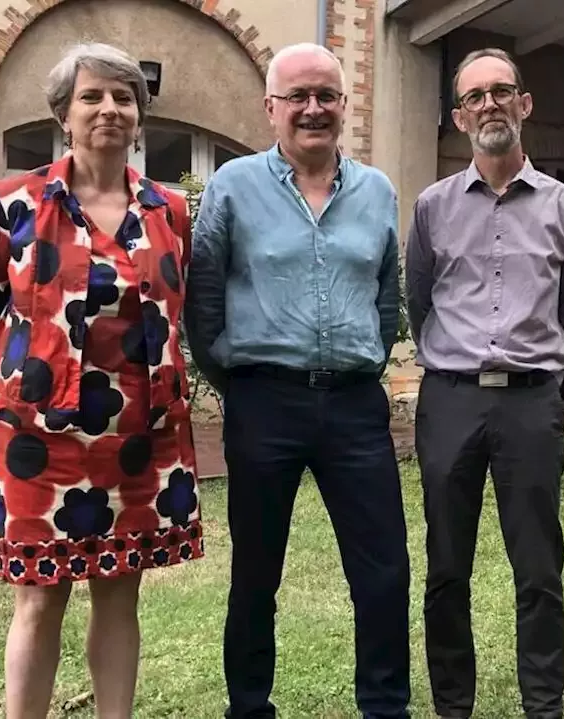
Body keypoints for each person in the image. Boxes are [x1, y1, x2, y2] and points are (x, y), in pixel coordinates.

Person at [0, 42, 203, 719]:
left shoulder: (170, 210)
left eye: (123, 98)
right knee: (39, 597)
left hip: (138, 433)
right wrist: (39, 378)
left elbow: (174, 308)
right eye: (92, 96)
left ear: (139, 116)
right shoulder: (9, 204)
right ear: (63, 114)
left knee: (120, 591)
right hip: (39, 434)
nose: (109, 109)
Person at [183, 42, 411, 719]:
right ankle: (249, 707)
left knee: (384, 571)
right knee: (257, 572)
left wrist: (364, 361)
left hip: (354, 406)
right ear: (271, 108)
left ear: (344, 105)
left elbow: (386, 294)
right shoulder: (232, 186)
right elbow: (204, 297)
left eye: (327, 95)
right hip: (264, 401)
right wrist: (239, 377)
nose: (314, 109)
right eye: (299, 97)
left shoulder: (377, 191)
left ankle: (385, 707)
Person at [404, 47, 564, 719]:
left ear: (524, 104)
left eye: (501, 91)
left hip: (530, 403)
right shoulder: (431, 208)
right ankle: (452, 706)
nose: (490, 104)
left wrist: (537, 363)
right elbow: (419, 299)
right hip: (450, 400)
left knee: (539, 571)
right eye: (475, 96)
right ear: (459, 116)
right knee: (446, 568)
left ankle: (543, 706)